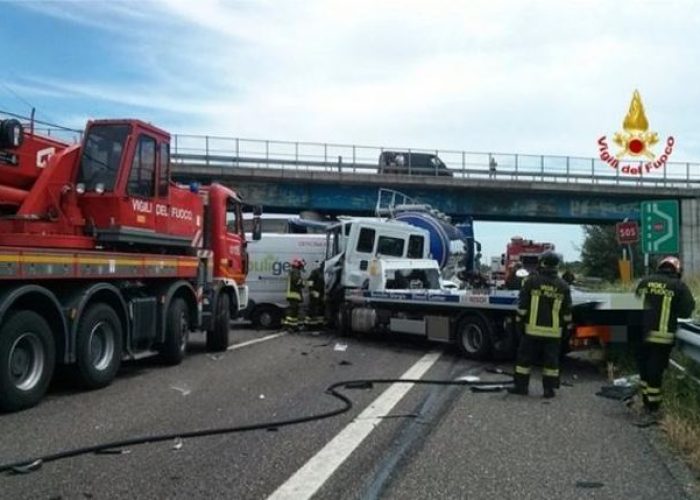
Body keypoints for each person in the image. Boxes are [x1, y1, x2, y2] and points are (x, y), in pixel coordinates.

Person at [634, 256, 695, 420]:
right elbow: (686, 310)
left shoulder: (644, 282)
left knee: (644, 371)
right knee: (655, 373)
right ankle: (653, 410)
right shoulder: (678, 286)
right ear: (676, 270)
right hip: (661, 338)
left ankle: (646, 404)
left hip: (640, 335)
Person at [510, 251, 572, 398]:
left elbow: (522, 307)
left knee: (523, 361)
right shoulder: (563, 286)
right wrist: (566, 330)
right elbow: (567, 313)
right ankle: (549, 390)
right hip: (553, 333)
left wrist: (519, 323)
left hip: (531, 331)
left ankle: (521, 387)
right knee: (551, 363)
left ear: (542, 263)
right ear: (557, 265)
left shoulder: (531, 282)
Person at [282, 259, 305, 331]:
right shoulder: (295, 271)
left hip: (292, 294)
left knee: (293, 311)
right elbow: (297, 281)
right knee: (293, 311)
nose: (301, 267)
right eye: (301, 266)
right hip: (294, 294)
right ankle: (291, 326)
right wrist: (302, 283)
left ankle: (291, 326)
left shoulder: (292, 271)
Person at [305, 261, 325, 327]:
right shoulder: (316, 272)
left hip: (321, 293)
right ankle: (307, 323)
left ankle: (320, 323)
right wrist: (311, 290)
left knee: (321, 308)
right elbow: (310, 281)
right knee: (312, 307)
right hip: (315, 292)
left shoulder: (325, 272)